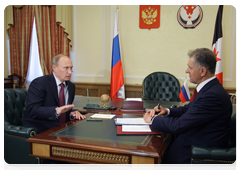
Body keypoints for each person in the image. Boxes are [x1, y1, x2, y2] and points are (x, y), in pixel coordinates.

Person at [144, 48, 232, 170]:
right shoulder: (210, 89)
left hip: (196, 153)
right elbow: (187, 109)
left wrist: (152, 120)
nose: (186, 71)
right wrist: (167, 112)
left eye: (190, 68)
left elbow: (179, 125)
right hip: (191, 142)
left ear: (202, 71)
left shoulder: (212, 95)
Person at [23, 54, 86, 170]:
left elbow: (65, 110)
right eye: (66, 68)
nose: (70, 72)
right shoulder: (40, 83)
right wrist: (56, 110)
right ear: (54, 68)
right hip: (42, 129)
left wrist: (71, 114)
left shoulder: (71, 86)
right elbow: (32, 110)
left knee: (83, 150)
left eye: (71, 68)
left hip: (63, 130)